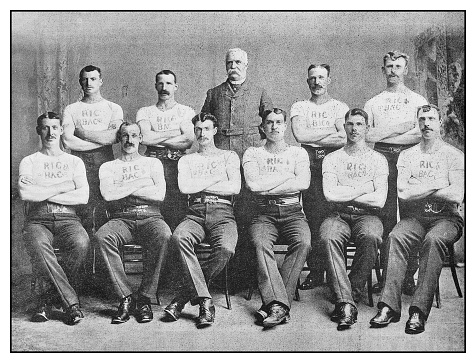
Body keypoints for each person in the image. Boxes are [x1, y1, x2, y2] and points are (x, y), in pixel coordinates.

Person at [369, 104, 464, 334]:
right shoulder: (407, 155)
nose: (427, 124)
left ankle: (418, 312)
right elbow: (404, 192)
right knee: (395, 237)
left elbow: (457, 194)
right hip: (416, 216)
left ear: (440, 122)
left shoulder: (454, 155)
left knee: (433, 241)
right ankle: (388, 306)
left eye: (431, 119)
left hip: (446, 218)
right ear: (417, 123)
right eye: (422, 119)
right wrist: (439, 184)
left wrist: (421, 186)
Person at [201, 47, 273, 289]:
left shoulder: (259, 92)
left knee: (246, 216)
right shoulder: (214, 94)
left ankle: (246, 274)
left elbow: (271, 122)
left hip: (248, 161)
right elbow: (204, 124)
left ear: (247, 65)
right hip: (220, 163)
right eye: (230, 62)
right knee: (223, 214)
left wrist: (255, 142)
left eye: (238, 62)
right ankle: (223, 272)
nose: (234, 66)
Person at [163, 113, 241, 328]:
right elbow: (186, 188)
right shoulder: (187, 159)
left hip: (223, 212)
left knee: (226, 248)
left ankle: (182, 298)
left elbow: (234, 187)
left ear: (215, 130)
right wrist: (218, 178)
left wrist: (201, 183)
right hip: (195, 211)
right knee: (178, 237)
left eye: (207, 128)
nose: (202, 133)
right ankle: (206, 302)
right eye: (198, 129)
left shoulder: (229, 156)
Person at [95, 122, 171, 324]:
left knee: (164, 235)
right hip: (122, 217)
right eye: (125, 136)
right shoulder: (108, 166)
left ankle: (145, 298)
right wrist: (142, 183)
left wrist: (124, 187)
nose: (129, 140)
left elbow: (160, 195)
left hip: (151, 216)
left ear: (140, 139)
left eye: (134, 135)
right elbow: (108, 195)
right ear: (119, 139)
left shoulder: (153, 164)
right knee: (102, 237)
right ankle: (125, 297)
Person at [364, 51, 428, 293]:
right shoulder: (374, 102)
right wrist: (401, 127)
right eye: (389, 66)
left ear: (406, 70)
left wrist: (386, 131)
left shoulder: (417, 100)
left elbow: (419, 133)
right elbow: (369, 136)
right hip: (382, 159)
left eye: (398, 66)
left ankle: (408, 276)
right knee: (386, 217)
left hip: (410, 158)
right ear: (383, 70)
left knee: (411, 217)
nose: (393, 70)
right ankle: (387, 276)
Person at [320, 108, 388, 331]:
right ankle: (346, 303)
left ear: (367, 128)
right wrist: (364, 188)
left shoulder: (378, 159)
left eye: (359, 124)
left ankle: (348, 295)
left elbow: (379, 200)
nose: (354, 129)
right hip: (338, 214)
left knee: (371, 235)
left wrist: (346, 189)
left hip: (368, 215)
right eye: (350, 124)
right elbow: (330, 194)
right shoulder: (332, 159)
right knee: (328, 236)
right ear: (344, 126)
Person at [19, 112, 90, 325]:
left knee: (81, 242)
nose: (50, 133)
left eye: (55, 128)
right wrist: (65, 186)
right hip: (38, 219)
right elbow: (27, 195)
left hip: (68, 218)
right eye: (45, 128)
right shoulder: (29, 161)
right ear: (39, 130)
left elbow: (83, 196)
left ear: (61, 130)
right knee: (40, 247)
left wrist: (43, 190)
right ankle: (71, 305)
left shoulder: (74, 162)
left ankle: (46, 301)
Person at [243, 108, 311, 329]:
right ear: (262, 127)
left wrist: (268, 183)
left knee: (304, 242)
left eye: (279, 122)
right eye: (269, 123)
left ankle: (274, 304)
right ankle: (280, 305)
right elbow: (254, 186)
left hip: (293, 212)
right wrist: (287, 177)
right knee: (260, 243)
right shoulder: (252, 153)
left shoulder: (298, 153)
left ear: (285, 126)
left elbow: (303, 183)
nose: (274, 127)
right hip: (264, 213)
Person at [291, 63, 349, 290]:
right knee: (314, 217)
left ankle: (337, 271)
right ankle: (316, 272)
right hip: (309, 163)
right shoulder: (300, 106)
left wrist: (314, 136)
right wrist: (330, 133)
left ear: (329, 80)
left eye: (321, 78)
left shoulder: (339, 106)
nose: (317, 82)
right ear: (307, 82)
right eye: (312, 78)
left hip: (335, 164)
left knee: (336, 216)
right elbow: (299, 135)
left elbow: (343, 138)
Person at [62, 65, 124, 230]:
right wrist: (101, 139)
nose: (89, 83)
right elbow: (68, 141)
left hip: (104, 161)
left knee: (107, 209)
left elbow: (113, 137)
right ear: (80, 82)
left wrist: (82, 132)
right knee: (83, 211)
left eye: (93, 79)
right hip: (79, 162)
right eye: (85, 79)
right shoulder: (71, 109)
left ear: (100, 81)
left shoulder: (113, 108)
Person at [137, 69, 195, 230]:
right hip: (152, 163)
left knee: (176, 211)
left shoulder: (186, 111)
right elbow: (146, 139)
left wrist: (157, 136)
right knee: (154, 210)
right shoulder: (145, 111)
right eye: (161, 83)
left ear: (175, 86)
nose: (164, 87)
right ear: (156, 86)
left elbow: (188, 140)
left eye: (169, 83)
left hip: (177, 165)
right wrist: (175, 132)